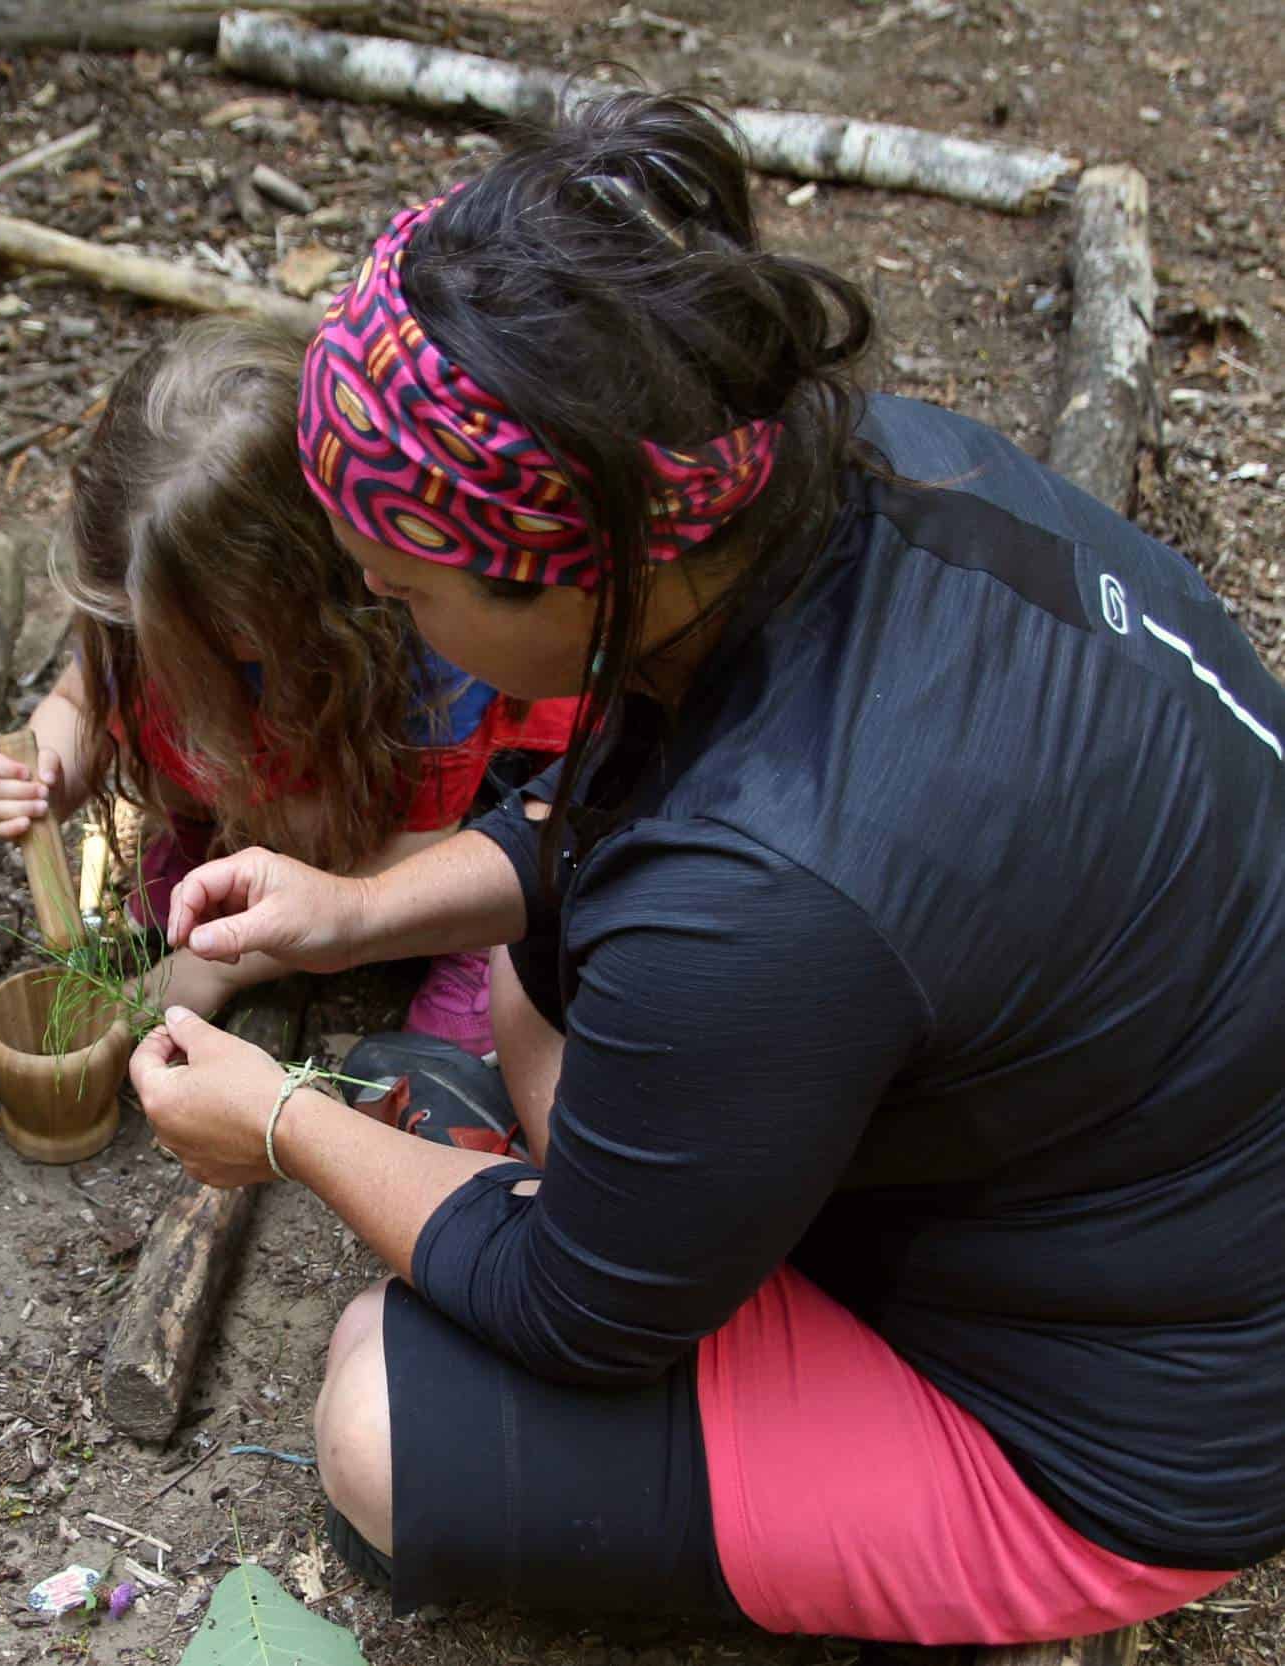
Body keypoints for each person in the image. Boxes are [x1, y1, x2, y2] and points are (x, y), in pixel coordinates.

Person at [127, 90, 1285, 1648]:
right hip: (1130, 1170)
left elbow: (573, 1309)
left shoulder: (767, 892)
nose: (393, 624)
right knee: (550, 996)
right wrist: (357, 906)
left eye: (403, 593)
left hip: (1137, 1424)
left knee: (375, 1414)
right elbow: (630, 813)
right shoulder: (826, 474)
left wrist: (281, 1123)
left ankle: (983, 1519)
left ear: (582, 562)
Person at [0, 318, 575, 1047]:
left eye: (187, 627)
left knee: (461, 1015)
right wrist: (52, 764)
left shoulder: (427, 649)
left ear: (309, 591)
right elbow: (78, 698)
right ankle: (233, 846)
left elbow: (420, 848)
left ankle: (470, 942)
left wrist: (218, 967)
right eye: (137, 617)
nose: (149, 639)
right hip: (276, 784)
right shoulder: (142, 598)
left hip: (423, 837)